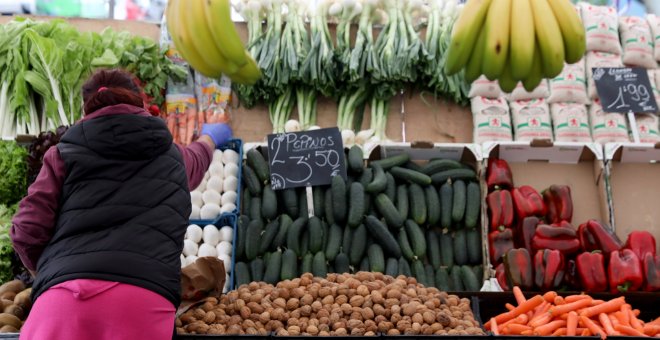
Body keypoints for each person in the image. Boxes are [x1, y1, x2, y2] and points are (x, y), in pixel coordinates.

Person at [10, 69, 232, 339]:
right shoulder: (171, 156)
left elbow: (26, 230)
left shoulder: (62, 154)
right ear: (139, 101)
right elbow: (196, 161)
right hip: (142, 301)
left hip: (62, 303)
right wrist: (209, 138)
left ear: (87, 108)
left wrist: (50, 274)